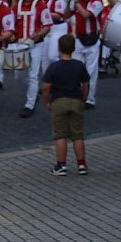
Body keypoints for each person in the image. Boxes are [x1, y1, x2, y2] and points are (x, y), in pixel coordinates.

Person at [41, 35, 90, 176]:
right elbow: (86, 83)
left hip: (59, 101)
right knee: (77, 134)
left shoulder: (54, 67)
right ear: (74, 49)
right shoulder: (79, 65)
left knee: (60, 134)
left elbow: (45, 87)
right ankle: (81, 164)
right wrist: (84, 98)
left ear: (58, 48)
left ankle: (61, 165)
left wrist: (47, 102)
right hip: (76, 100)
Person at [14, 0, 52, 118]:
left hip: (36, 45)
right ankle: (33, 93)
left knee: (33, 75)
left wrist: (39, 34)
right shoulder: (18, 5)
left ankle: (29, 105)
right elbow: (13, 24)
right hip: (21, 44)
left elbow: (47, 25)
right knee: (19, 76)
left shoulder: (40, 5)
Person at [72, 0, 104, 109]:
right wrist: (70, 2)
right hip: (79, 39)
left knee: (91, 71)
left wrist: (76, 3)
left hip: (92, 39)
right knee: (76, 70)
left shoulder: (97, 2)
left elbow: (86, 15)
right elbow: (67, 14)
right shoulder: (78, 0)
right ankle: (79, 95)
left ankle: (90, 99)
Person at [41, 0, 70, 71]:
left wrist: (44, 13)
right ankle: (48, 83)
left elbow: (59, 15)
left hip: (57, 28)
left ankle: (63, 71)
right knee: (44, 59)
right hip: (45, 28)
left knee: (52, 56)